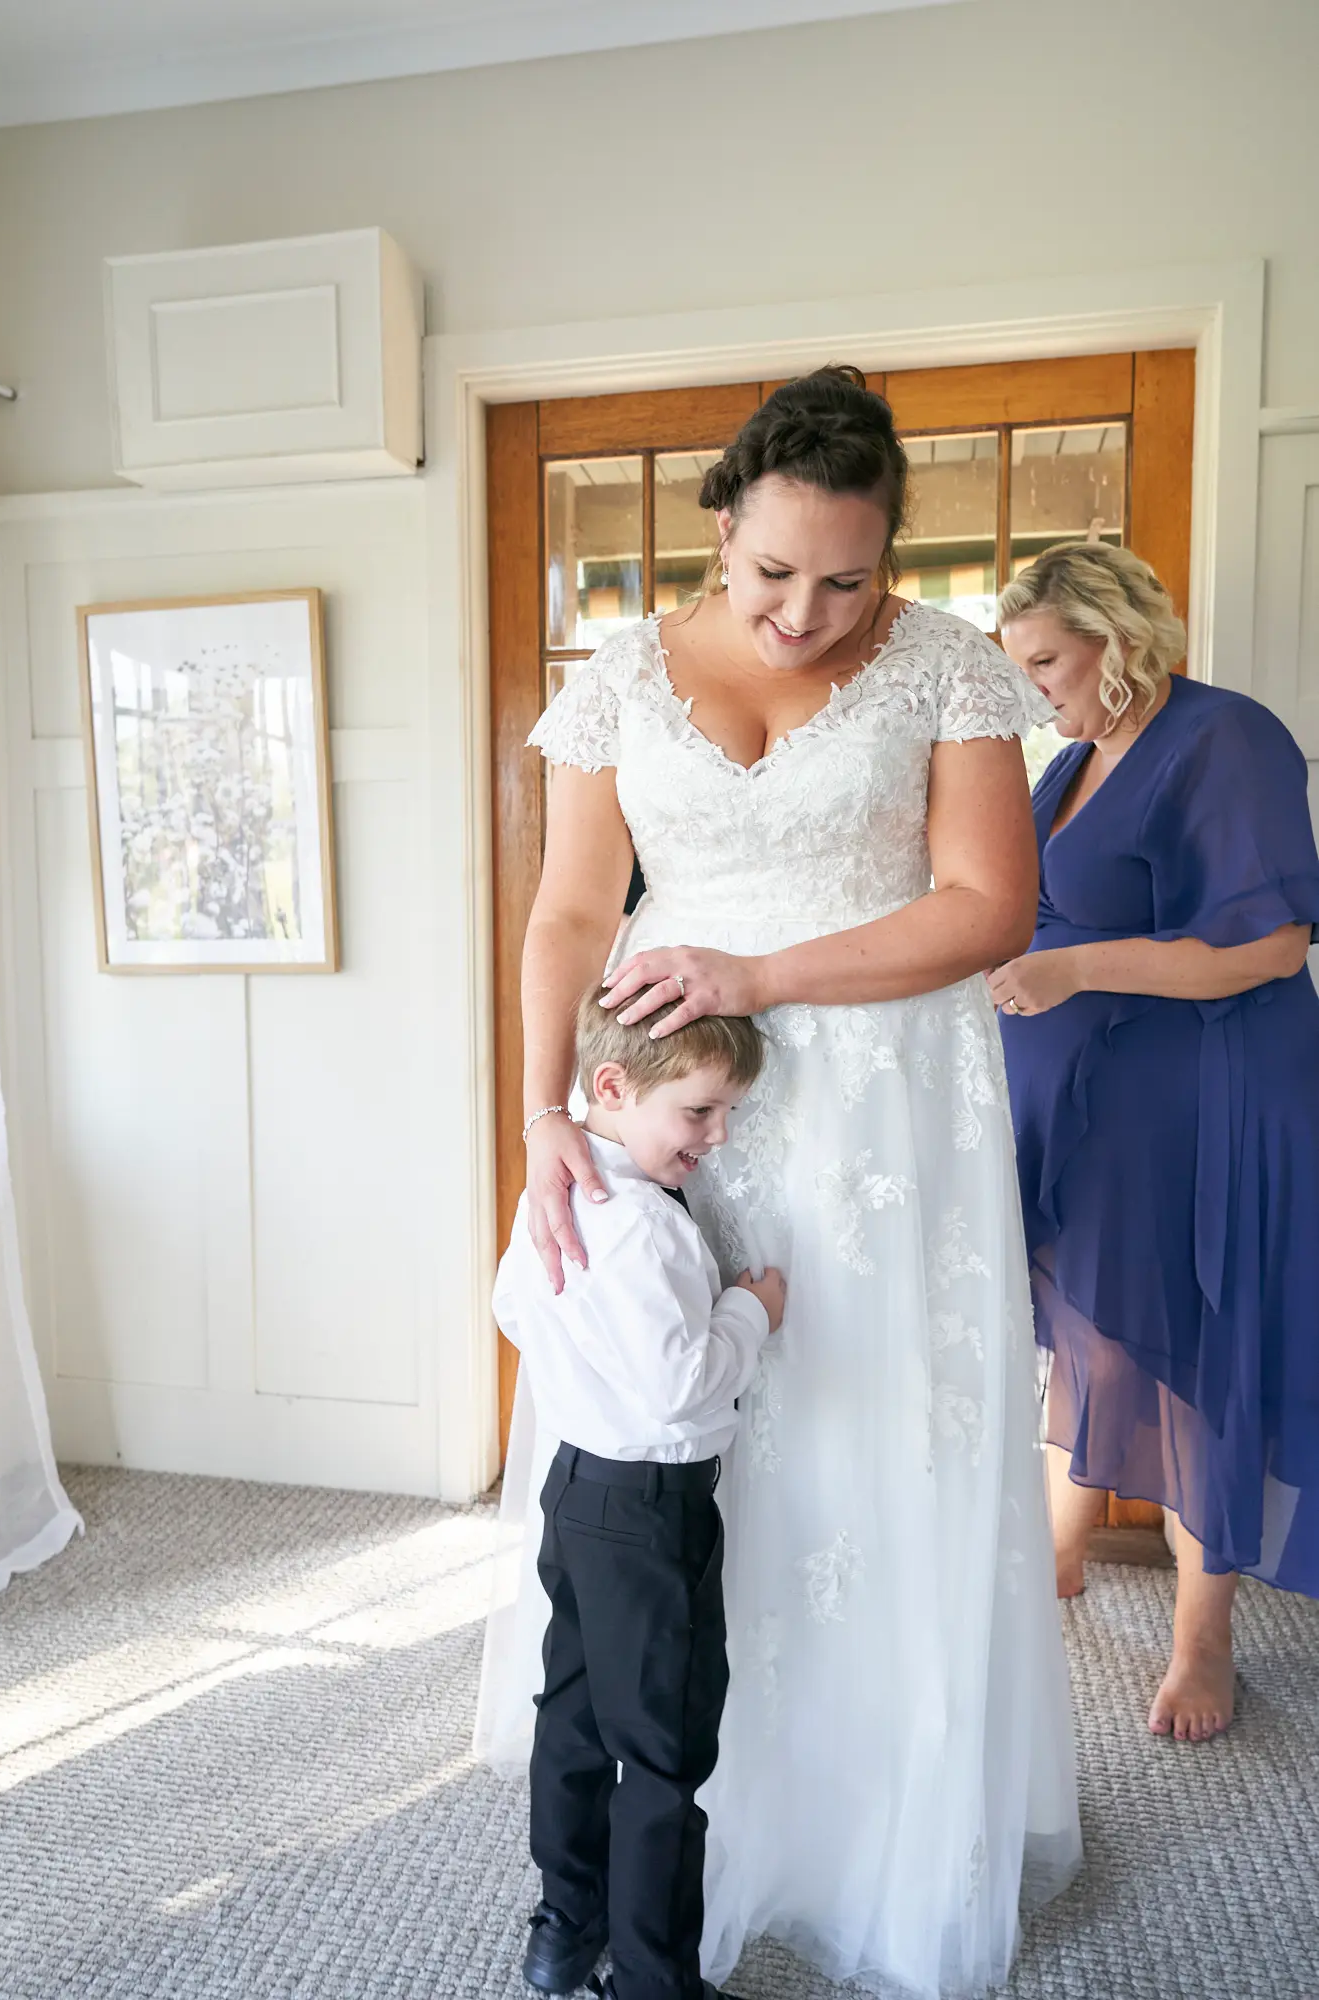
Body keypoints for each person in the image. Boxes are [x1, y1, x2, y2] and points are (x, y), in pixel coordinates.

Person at [477, 365, 1082, 1998]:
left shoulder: (947, 668)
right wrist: (541, 1116)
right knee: (675, 1459)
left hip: (887, 1113)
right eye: (769, 574)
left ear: (890, 554)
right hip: (674, 1109)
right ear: (716, 533)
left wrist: (760, 970)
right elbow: (566, 917)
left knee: (869, 1448)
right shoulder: (616, 680)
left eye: (846, 576)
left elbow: (985, 907)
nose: (805, 610)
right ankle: (645, 1857)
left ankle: (864, 1843)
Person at [992, 540, 1319, 1744]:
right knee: (1094, 1321)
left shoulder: (1225, 737)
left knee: (1202, 1345)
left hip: (1213, 1095)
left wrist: (1068, 964)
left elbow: (1269, 946)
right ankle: (1062, 1551)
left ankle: (1203, 1635)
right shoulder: (1078, 757)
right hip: (1108, 1104)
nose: (1031, 685)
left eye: (1044, 659)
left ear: (1113, 637)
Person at [494, 984, 785, 2000]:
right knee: (663, 1748)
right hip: (653, 1508)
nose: (716, 1134)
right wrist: (750, 1309)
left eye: (727, 1112)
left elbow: (508, 1303)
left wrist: (585, 1365)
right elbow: (680, 1385)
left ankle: (563, 1926)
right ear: (610, 1086)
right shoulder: (652, 1231)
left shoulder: (556, 1195)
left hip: (572, 1489)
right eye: (699, 1110)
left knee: (571, 1713)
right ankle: (656, 1981)